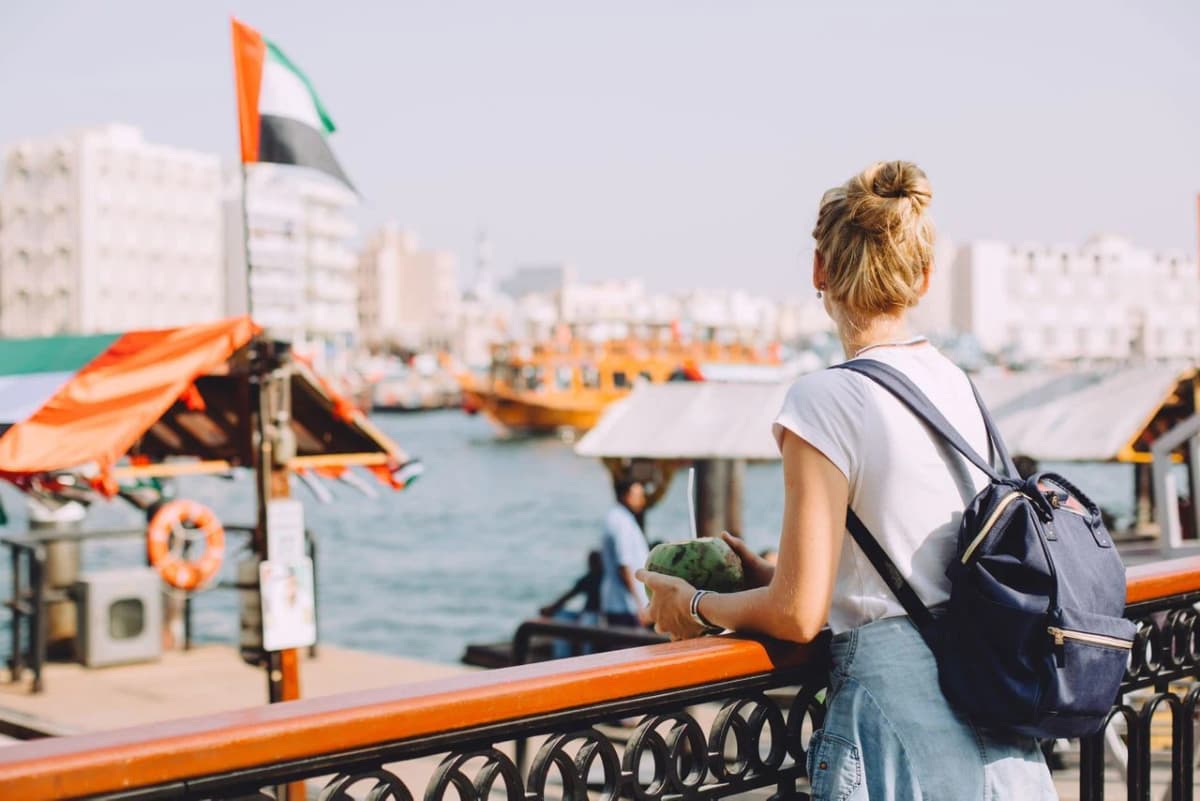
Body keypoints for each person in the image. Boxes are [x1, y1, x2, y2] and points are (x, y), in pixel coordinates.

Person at [637, 161, 1057, 800]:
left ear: (819, 271)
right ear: (922, 278)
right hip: (994, 727)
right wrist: (764, 576)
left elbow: (799, 617)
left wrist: (691, 605)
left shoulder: (824, 400)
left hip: (899, 727)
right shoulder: (956, 385)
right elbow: (916, 561)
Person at [600, 479, 650, 628]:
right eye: (638, 496)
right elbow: (624, 565)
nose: (642, 500)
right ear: (625, 496)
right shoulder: (622, 522)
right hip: (626, 607)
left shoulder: (618, 518)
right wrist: (639, 605)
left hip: (620, 604)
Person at [540, 551, 604, 657]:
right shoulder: (590, 578)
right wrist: (551, 609)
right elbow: (568, 596)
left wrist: (550, 609)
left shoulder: (603, 579)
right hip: (587, 615)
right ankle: (561, 657)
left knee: (588, 626)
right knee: (562, 616)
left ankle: (587, 657)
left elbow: (568, 596)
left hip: (595, 616)